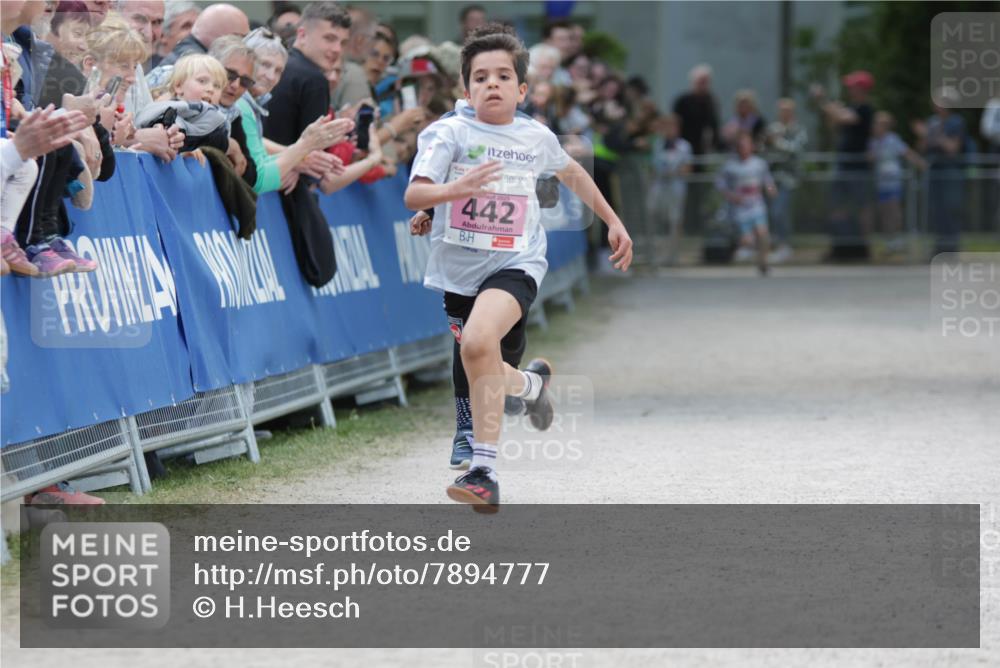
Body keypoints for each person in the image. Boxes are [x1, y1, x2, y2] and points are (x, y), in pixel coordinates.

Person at [404, 24, 633, 512]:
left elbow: (572, 172)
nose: (492, 84)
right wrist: (447, 196)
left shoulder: (534, 135)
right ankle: (531, 385)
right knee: (480, 358)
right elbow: (415, 192)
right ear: (466, 89)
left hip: (517, 262)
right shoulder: (448, 133)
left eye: (503, 76)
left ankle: (482, 472)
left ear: (521, 89)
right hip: (458, 270)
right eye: (481, 77)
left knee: (479, 342)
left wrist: (613, 220)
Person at [263, 1, 351, 287]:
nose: (336, 49)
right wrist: (299, 163)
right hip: (283, 187)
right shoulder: (314, 79)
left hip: (264, 175)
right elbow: (315, 156)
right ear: (302, 34)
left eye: (341, 41)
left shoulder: (279, 65)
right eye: (329, 38)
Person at [238, 27, 350, 194]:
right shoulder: (240, 105)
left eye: (278, 71)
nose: (270, 76)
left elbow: (258, 154)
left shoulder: (254, 104)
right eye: (265, 65)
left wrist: (297, 160)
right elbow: (258, 180)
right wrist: (303, 149)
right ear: (245, 61)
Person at [813, 70, 875, 260]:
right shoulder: (849, 107)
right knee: (837, 205)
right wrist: (831, 108)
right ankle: (839, 245)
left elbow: (844, 118)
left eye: (853, 86)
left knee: (862, 206)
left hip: (858, 165)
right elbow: (834, 124)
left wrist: (824, 100)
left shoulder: (865, 109)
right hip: (843, 163)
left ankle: (865, 247)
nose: (849, 89)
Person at [913, 87, 967, 256]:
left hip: (949, 171)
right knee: (936, 211)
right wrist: (923, 136)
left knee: (951, 208)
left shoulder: (956, 122)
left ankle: (952, 247)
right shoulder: (932, 122)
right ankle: (940, 247)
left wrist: (932, 134)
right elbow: (922, 148)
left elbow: (952, 148)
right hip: (934, 171)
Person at [715, 131, 776, 275]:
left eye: (746, 144)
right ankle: (739, 247)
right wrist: (731, 196)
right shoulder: (731, 165)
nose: (743, 148)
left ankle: (763, 264)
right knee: (747, 240)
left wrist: (771, 190)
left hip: (756, 205)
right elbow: (719, 183)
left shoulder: (759, 164)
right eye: (740, 145)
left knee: (763, 235)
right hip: (740, 208)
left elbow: (768, 181)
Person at [868, 110, 924, 256]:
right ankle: (889, 242)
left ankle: (897, 240)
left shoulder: (893, 139)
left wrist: (920, 163)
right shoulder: (873, 142)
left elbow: (907, 152)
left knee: (894, 212)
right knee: (884, 213)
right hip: (881, 183)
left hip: (893, 183)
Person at [673, 64, 719, 233]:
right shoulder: (683, 101)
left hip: (700, 153)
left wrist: (714, 146)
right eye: (701, 81)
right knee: (682, 191)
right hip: (683, 152)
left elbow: (714, 127)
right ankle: (682, 225)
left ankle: (696, 226)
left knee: (699, 192)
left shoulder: (710, 101)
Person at [765, 97, 807, 262]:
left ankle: (784, 246)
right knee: (771, 211)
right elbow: (765, 150)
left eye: (787, 110)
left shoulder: (798, 130)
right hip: (771, 181)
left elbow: (796, 149)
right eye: (781, 110)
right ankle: (775, 244)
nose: (784, 113)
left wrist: (777, 142)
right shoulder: (774, 128)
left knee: (780, 211)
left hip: (789, 180)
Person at [647, 113, 692, 266]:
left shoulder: (684, 146)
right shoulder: (658, 144)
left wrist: (674, 172)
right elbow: (653, 166)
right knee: (654, 215)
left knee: (674, 220)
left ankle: (672, 255)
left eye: (671, 126)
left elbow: (687, 168)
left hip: (676, 187)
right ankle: (656, 255)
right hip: (659, 186)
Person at [330, 5, 375, 110]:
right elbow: (358, 124)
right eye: (372, 38)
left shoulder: (326, 67)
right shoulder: (354, 74)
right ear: (360, 41)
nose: (374, 45)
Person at [154, 0, 200, 68]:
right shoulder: (150, 72)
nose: (194, 31)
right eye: (186, 26)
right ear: (162, 36)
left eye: (198, 25)